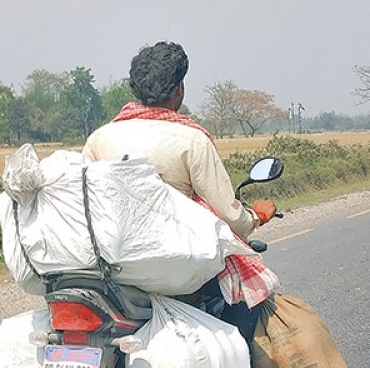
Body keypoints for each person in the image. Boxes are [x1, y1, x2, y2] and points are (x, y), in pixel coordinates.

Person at [82, 40, 277, 339]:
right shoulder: (191, 139)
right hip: (175, 265)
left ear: (135, 88)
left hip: (111, 262)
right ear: (179, 90)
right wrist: (254, 218)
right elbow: (228, 214)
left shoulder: (100, 138)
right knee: (251, 292)